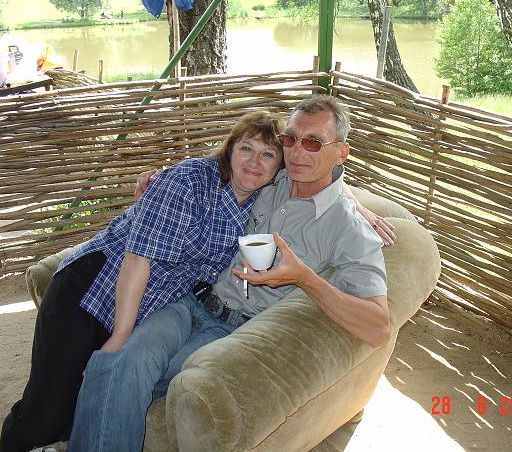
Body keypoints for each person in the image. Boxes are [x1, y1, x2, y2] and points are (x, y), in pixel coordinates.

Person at [67, 95, 392, 451]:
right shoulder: (272, 179)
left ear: (341, 152)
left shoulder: (349, 230)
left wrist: (303, 277)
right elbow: (227, 164)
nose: (298, 152)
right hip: (190, 301)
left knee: (139, 378)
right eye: (290, 139)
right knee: (117, 361)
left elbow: (378, 327)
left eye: (313, 142)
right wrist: (157, 181)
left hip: (235, 330)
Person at [0, 111, 286, 452]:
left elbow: (318, 178)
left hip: (146, 305)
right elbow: (137, 259)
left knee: (83, 404)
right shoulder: (190, 180)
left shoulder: (261, 202)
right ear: (230, 149)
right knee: (47, 410)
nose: (254, 162)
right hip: (93, 289)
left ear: (278, 166)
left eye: (268, 154)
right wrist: (120, 337)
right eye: (246, 148)